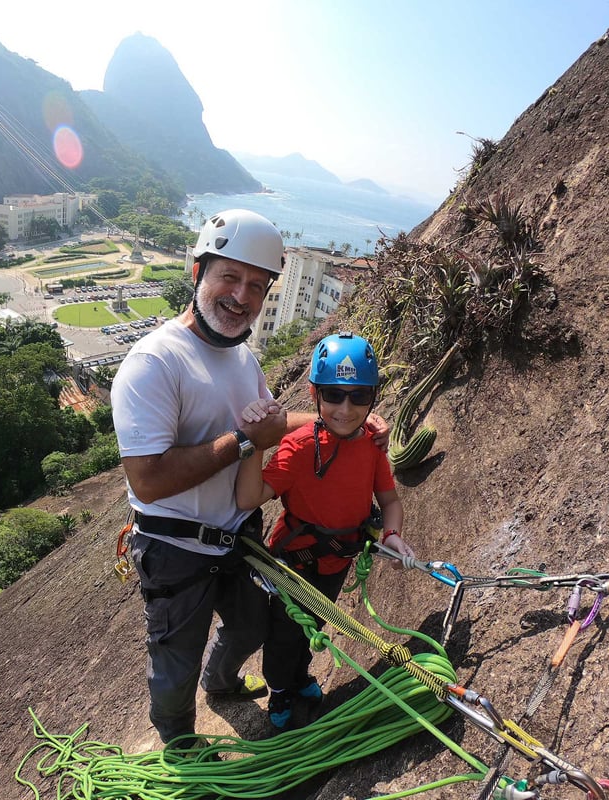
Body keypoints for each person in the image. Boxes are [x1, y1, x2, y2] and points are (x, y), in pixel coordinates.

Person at [111, 211, 388, 745]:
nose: (242, 296)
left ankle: (222, 682)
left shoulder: (241, 358)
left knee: (251, 626)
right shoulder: (155, 362)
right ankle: (178, 740)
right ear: (198, 273)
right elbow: (147, 480)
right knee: (176, 654)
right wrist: (242, 443)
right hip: (175, 544)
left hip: (238, 532)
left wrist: (349, 420)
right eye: (230, 278)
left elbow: (274, 423)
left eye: (256, 286)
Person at [235, 331, 415, 732]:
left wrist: (391, 535)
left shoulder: (372, 443)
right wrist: (255, 442)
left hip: (337, 558)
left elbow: (389, 500)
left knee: (316, 623)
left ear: (373, 396)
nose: (346, 408)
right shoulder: (299, 448)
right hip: (293, 560)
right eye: (334, 394)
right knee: (286, 630)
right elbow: (248, 498)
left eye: (359, 396)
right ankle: (281, 688)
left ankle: (298, 678)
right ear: (315, 393)